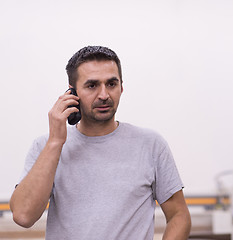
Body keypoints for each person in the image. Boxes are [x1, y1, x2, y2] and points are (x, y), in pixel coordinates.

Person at [10, 46, 191, 239]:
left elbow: (179, 215)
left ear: (121, 87)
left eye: (111, 84)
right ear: (72, 92)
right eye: (92, 85)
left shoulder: (151, 144)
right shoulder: (45, 146)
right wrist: (56, 142)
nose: (104, 95)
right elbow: (23, 215)